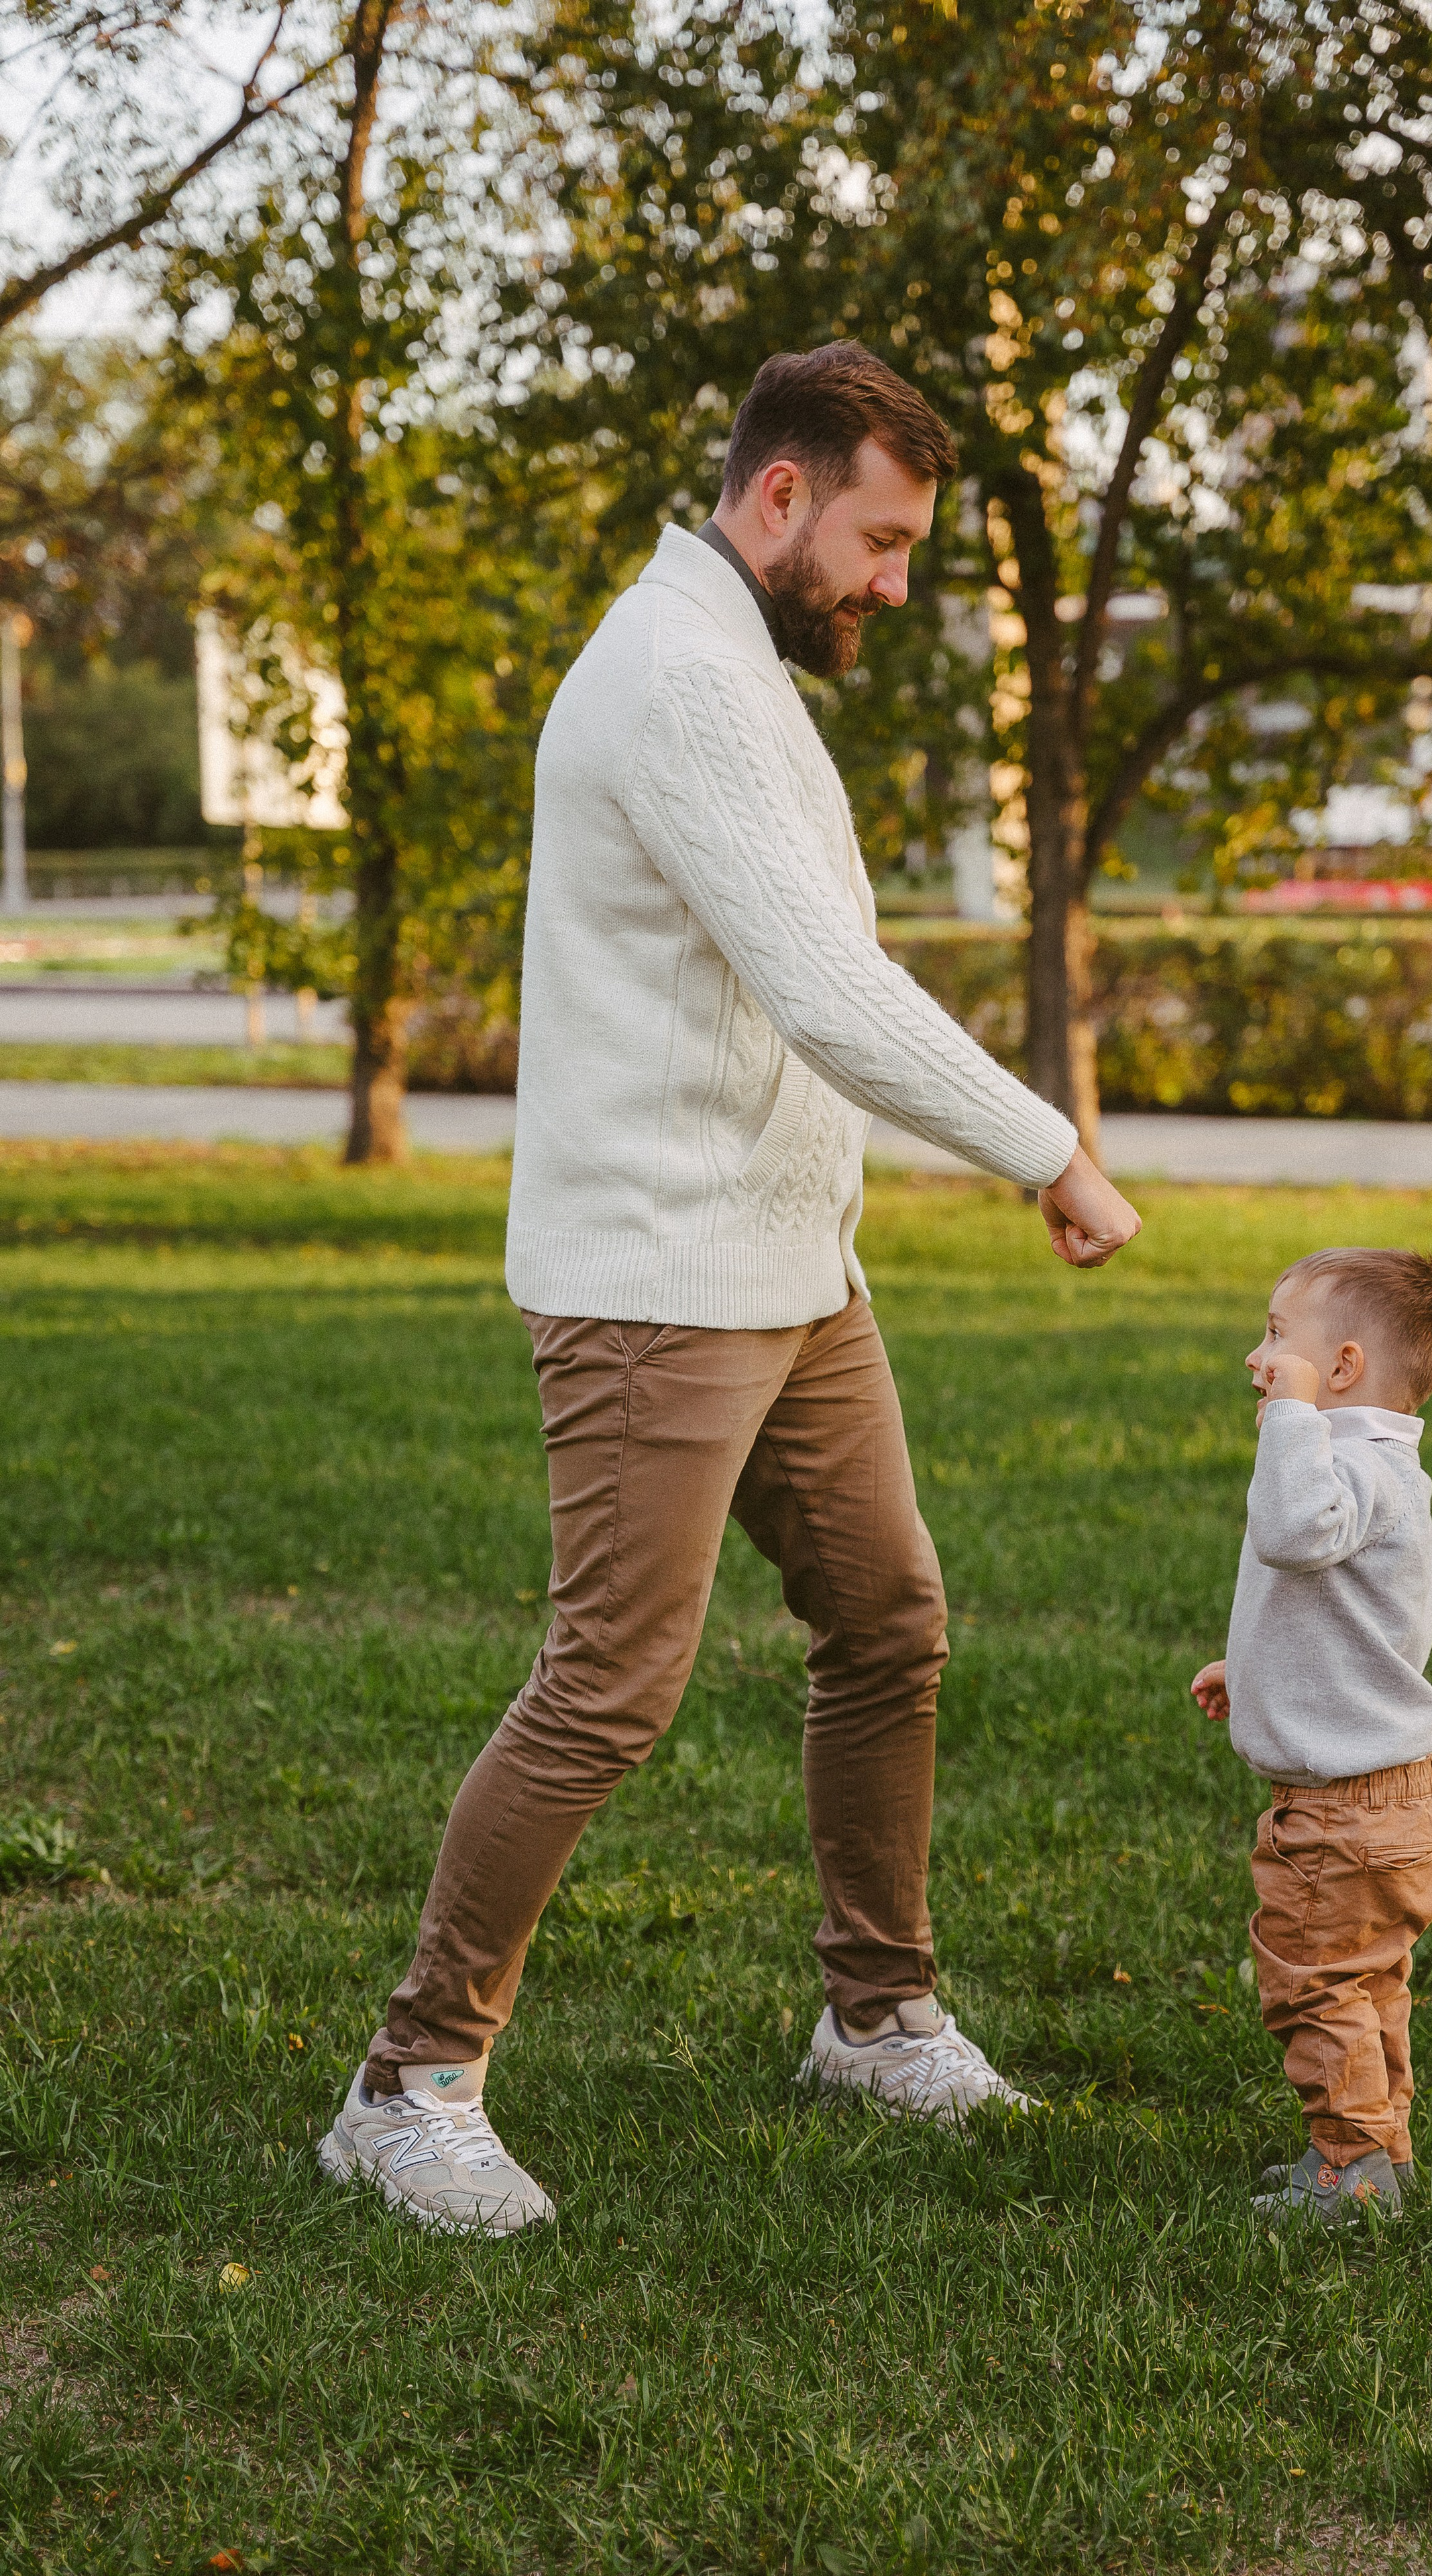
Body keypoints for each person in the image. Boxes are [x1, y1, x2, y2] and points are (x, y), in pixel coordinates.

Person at [318, 342, 1141, 2235]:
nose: (894, 584)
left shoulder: (744, 671)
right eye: (881, 538)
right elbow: (832, 995)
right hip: (659, 1282)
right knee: (609, 1685)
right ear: (783, 497)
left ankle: (876, 2017)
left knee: (888, 1621)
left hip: (791, 1271)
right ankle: (407, 2086)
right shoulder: (679, 677)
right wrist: (1051, 1151)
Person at [1189, 1247, 1432, 2227]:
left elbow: (1294, 1533)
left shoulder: (1350, 1463)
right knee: (1369, 1987)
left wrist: (1293, 1415)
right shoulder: (1371, 1470)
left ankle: (1349, 2169)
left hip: (1342, 1818)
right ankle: (1379, 2151)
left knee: (1316, 1988)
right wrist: (1254, 1670)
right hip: (1387, 1799)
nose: (1255, 1358)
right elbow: (1341, 1608)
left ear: (1341, 1369)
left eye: (1274, 1335)